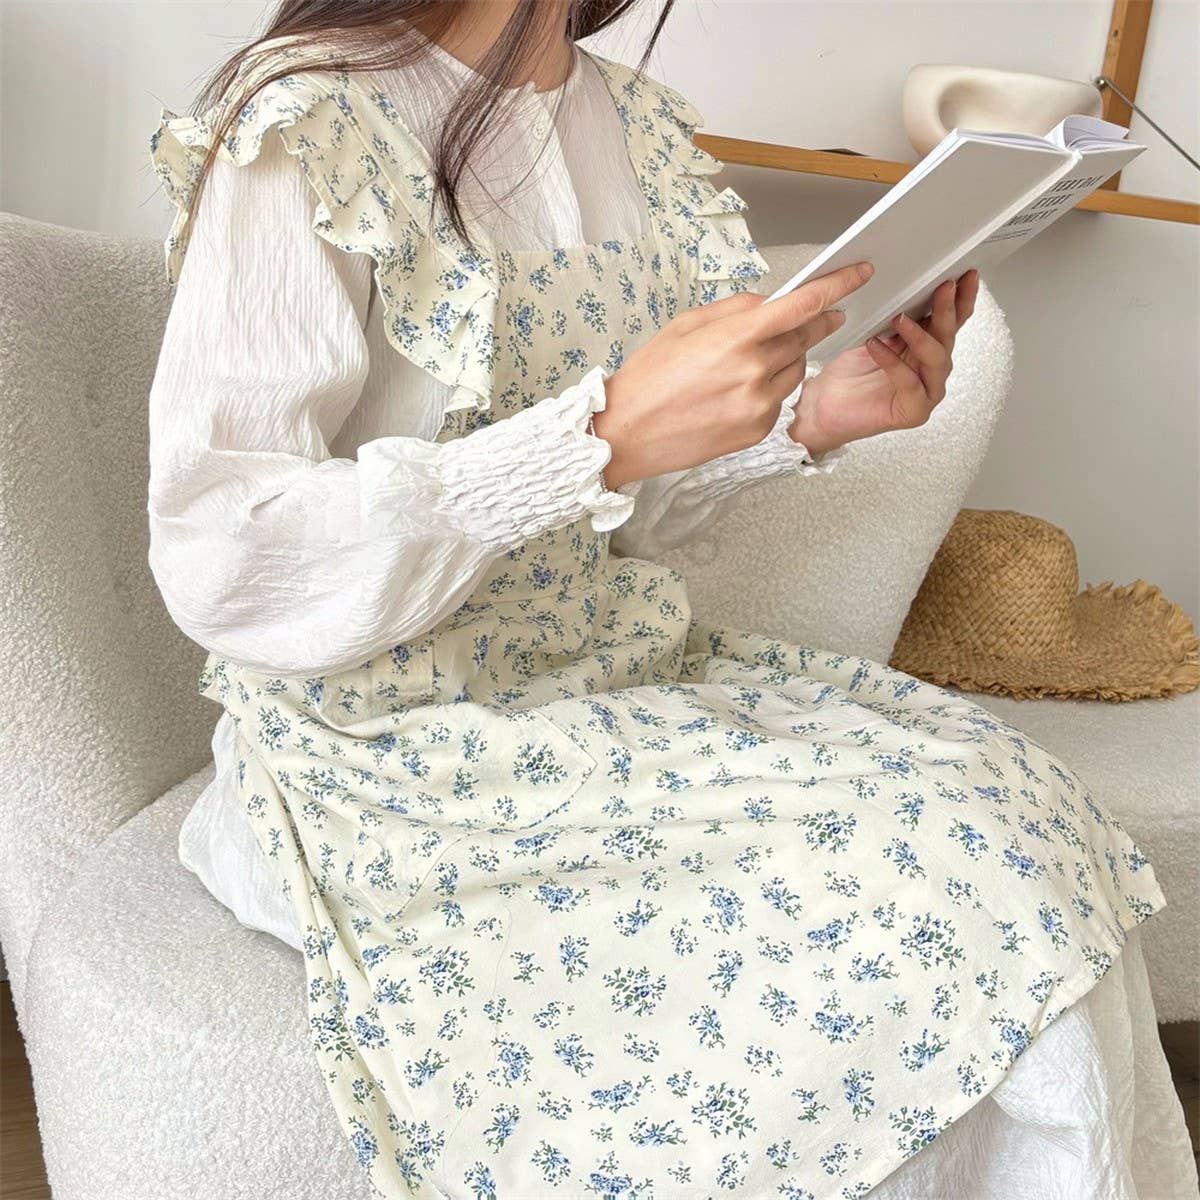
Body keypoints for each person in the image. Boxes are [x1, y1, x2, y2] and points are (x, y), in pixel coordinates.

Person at [145, 2, 1165, 1196]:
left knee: (1011, 798)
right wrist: (600, 431)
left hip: (611, 680)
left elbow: (632, 521)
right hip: (382, 745)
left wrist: (808, 421)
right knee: (948, 870)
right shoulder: (310, 118)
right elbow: (223, 553)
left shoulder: (639, 130)